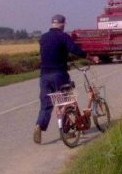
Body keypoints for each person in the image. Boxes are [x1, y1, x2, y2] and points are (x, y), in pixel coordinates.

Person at [33, 14, 99, 144]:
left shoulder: (43, 38)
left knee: (46, 104)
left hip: (44, 76)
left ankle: (39, 125)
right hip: (59, 74)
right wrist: (90, 57)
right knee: (66, 102)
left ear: (52, 23)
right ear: (62, 24)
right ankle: (67, 131)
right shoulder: (63, 36)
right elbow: (75, 49)